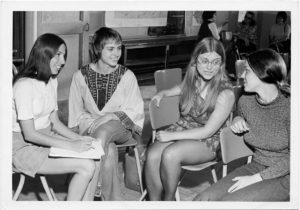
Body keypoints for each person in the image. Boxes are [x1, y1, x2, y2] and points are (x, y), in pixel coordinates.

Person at [144, 37, 235, 201]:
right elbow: (179, 88)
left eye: (215, 62)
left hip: (208, 141)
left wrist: (171, 136)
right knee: (152, 155)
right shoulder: (193, 80)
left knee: (170, 154)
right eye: (204, 60)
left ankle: (169, 200)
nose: (209, 67)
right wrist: (164, 92)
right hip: (184, 128)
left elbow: (207, 131)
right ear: (195, 61)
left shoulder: (225, 93)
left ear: (221, 65)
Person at [194, 48, 290, 201]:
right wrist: (237, 119)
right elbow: (242, 115)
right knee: (202, 199)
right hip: (257, 165)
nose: (242, 75)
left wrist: (257, 178)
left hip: (287, 176)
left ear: (263, 74)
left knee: (229, 203)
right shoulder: (246, 101)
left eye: (247, 71)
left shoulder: (289, 106)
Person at [12, 33, 100, 201]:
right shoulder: (23, 86)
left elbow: (55, 122)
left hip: (45, 137)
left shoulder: (52, 81)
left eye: (64, 55)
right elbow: (29, 134)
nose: (63, 61)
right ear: (43, 54)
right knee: (86, 166)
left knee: (95, 156)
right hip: (21, 147)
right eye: (58, 55)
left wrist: (80, 139)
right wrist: (70, 145)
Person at [68, 27, 144, 201]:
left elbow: (135, 109)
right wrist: (74, 134)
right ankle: (113, 200)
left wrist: (110, 116)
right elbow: (75, 110)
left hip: (121, 126)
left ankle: (90, 193)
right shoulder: (80, 75)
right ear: (97, 49)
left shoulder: (127, 76)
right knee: (107, 149)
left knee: (103, 133)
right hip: (90, 125)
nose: (116, 53)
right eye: (111, 49)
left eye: (119, 48)